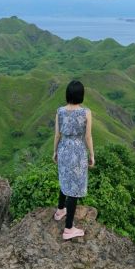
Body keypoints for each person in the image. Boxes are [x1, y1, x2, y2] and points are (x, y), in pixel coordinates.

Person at [52, 79, 95, 240]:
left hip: (63, 148)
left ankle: (60, 210)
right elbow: (88, 136)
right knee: (74, 188)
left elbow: (57, 134)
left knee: (65, 180)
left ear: (67, 94)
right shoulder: (86, 113)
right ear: (81, 95)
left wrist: (55, 151)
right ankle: (69, 228)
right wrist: (91, 155)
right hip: (77, 151)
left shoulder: (60, 111)